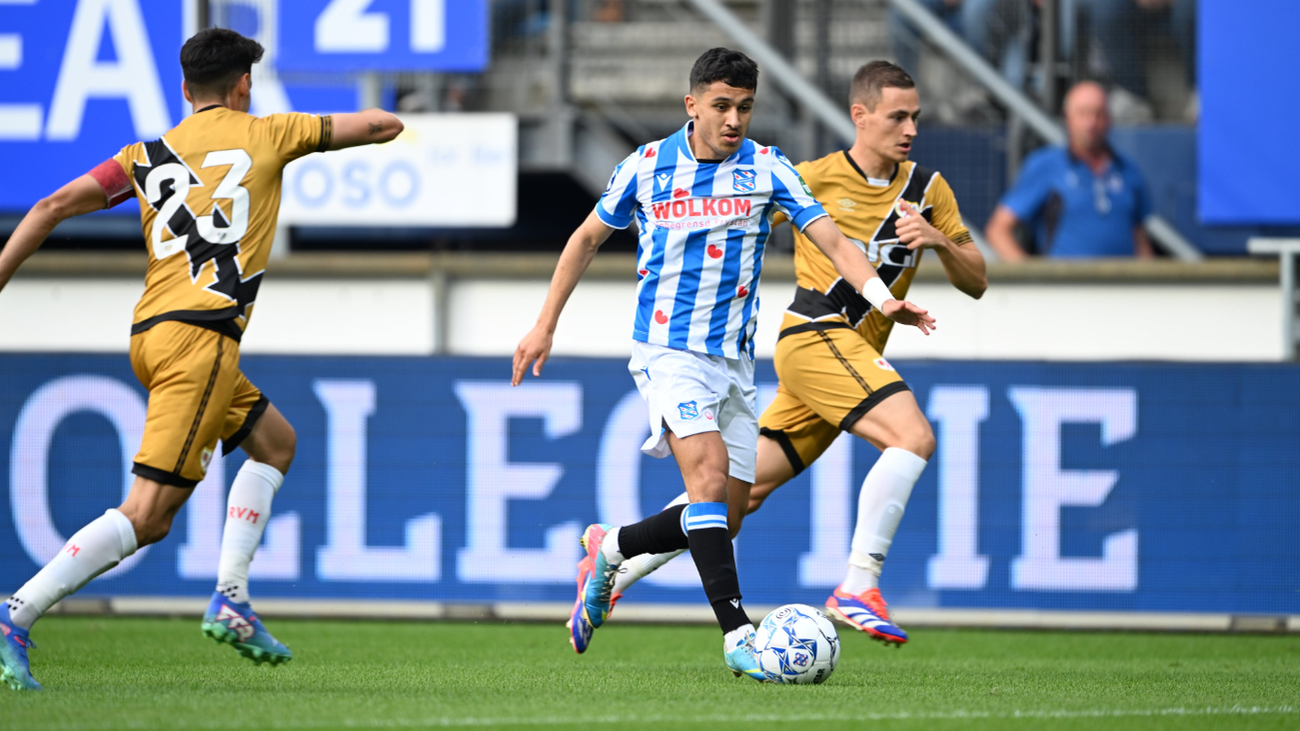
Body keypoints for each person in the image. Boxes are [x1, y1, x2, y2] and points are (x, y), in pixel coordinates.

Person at [511, 48, 935, 679]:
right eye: (721, 106)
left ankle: (612, 545)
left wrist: (881, 298)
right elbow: (585, 239)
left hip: (734, 361)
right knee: (707, 482)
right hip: (667, 350)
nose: (734, 119)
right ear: (692, 105)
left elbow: (832, 240)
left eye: (745, 107)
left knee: (725, 516)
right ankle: (739, 636)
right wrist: (544, 324)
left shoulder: (766, 168)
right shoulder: (646, 166)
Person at [0, 28, 402, 691]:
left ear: (186, 89)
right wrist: (336, 128)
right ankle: (17, 612)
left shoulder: (143, 156)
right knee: (148, 514)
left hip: (151, 335)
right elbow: (383, 124)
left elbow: (49, 207)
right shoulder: (272, 132)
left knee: (275, 443)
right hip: (202, 342)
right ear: (244, 85)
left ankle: (231, 597)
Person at [605, 61, 987, 646]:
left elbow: (977, 280)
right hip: (815, 336)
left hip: (852, 360)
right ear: (860, 116)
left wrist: (937, 241)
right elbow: (735, 214)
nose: (911, 129)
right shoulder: (810, 175)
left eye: (916, 117)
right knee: (912, 436)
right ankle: (859, 585)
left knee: (735, 501)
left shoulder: (927, 191)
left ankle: (614, 563)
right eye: (898, 117)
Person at [984, 80, 1153, 260]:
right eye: (1082, 113)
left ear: (1109, 119)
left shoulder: (1128, 169)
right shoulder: (1045, 165)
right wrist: (1030, 274)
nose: (1091, 123)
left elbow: (1139, 235)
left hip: (1122, 277)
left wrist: (1148, 274)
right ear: (1068, 119)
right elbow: (998, 230)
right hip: (1064, 277)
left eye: (1098, 113)